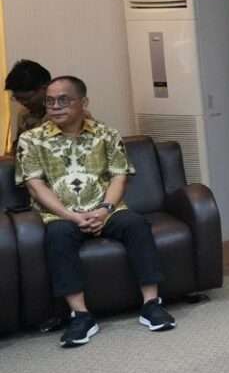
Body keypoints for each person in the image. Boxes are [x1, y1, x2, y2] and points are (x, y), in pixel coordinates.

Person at [15, 76, 177, 347]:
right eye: (50, 101)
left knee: (136, 225)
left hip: (106, 209)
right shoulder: (31, 140)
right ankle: (80, 315)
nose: (55, 106)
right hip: (60, 215)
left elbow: (119, 177)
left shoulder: (106, 134)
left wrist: (104, 210)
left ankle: (152, 304)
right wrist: (70, 215)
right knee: (58, 236)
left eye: (63, 100)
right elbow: (35, 185)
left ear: (83, 102)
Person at [5, 59, 52, 154]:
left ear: (44, 88)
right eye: (17, 98)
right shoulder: (24, 114)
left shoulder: (63, 115)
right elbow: (19, 147)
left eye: (26, 98)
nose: (22, 103)